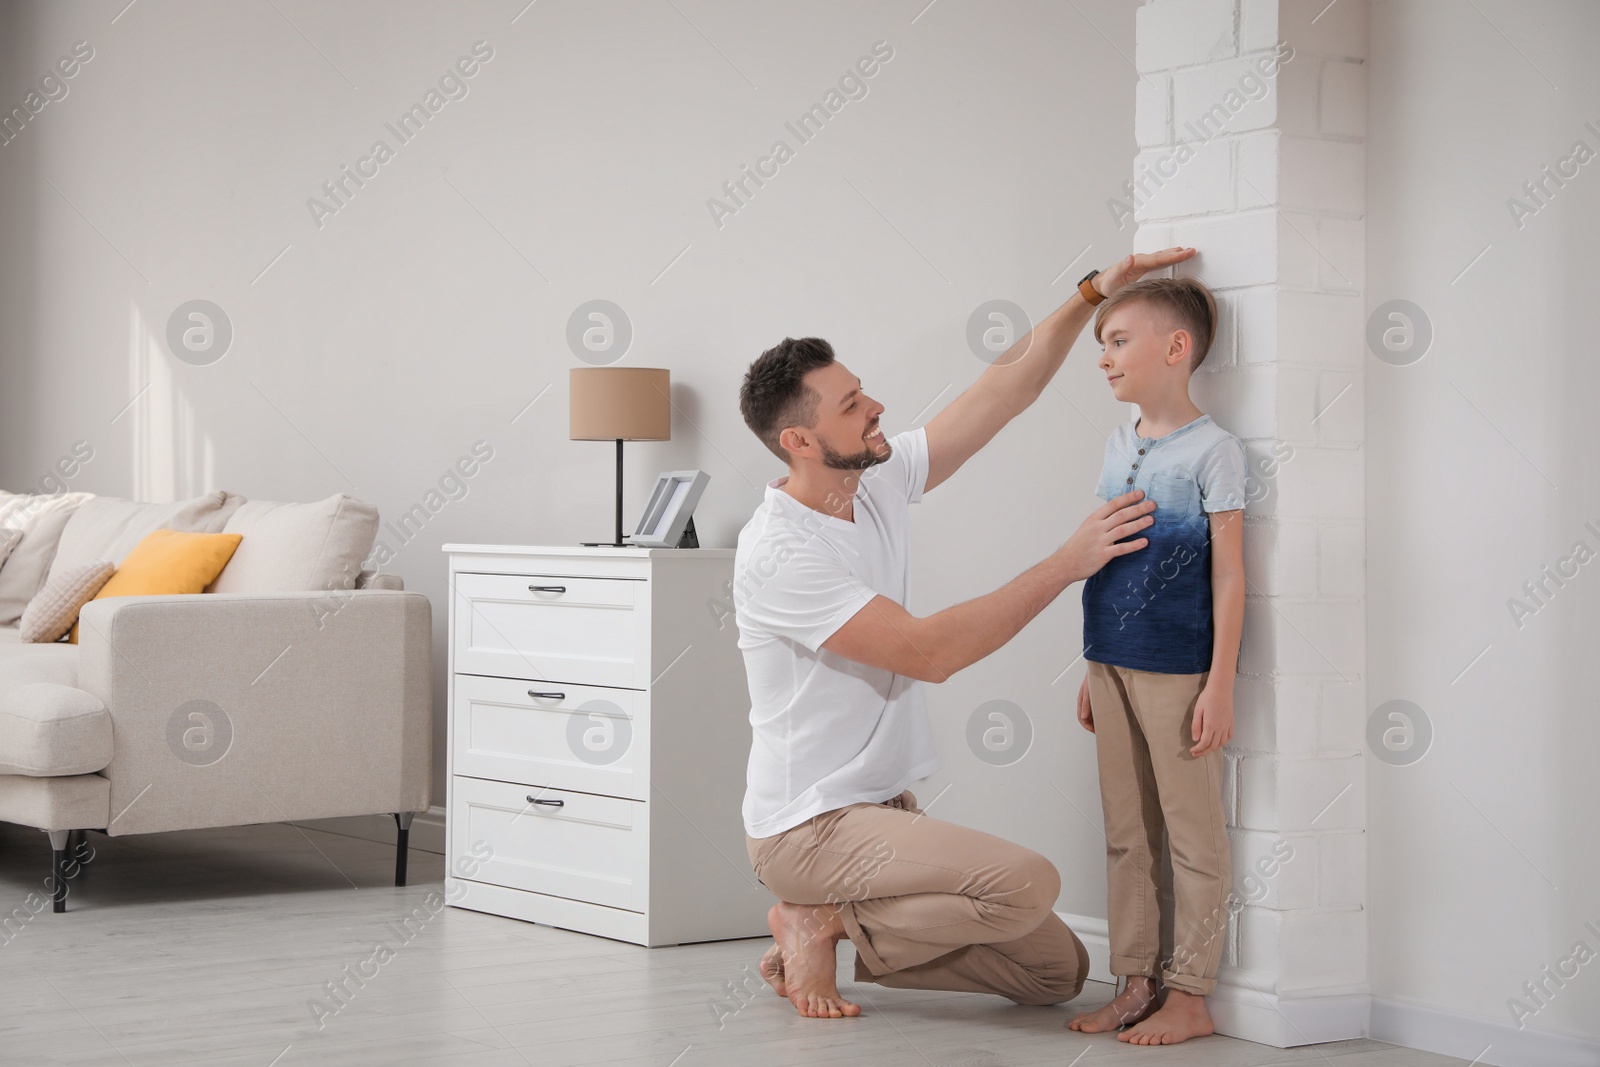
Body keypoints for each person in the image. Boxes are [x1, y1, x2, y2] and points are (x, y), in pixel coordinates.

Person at [731, 247, 1197, 1019]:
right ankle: (820, 913)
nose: (874, 406)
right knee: (1028, 883)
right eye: (850, 405)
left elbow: (1002, 390)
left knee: (1056, 969)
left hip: (882, 810)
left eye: (861, 389)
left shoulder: (870, 478)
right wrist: (1065, 564)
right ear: (800, 443)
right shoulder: (779, 554)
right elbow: (930, 652)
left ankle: (835, 923)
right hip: (808, 826)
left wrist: (1090, 293)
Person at [1066, 277, 1246, 1045]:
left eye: (1116, 342)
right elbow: (1105, 552)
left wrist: (1221, 683)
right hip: (1110, 657)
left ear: (1175, 349)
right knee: (1125, 830)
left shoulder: (1215, 451)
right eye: (1102, 345)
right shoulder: (1118, 442)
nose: (1103, 359)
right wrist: (1090, 664)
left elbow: (1232, 573)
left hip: (1177, 669)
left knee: (1191, 833)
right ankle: (1135, 979)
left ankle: (1192, 993)